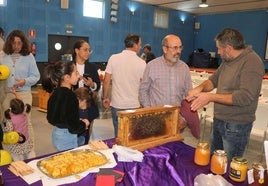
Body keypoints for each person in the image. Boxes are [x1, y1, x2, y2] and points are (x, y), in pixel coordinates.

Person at [186, 28, 265, 161]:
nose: (218, 52)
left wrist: (210, 97)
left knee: (229, 166)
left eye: (219, 49)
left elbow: (244, 97)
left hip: (236, 126)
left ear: (228, 48)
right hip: (219, 121)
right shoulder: (227, 61)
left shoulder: (252, 62)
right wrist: (199, 88)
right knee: (215, 161)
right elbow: (213, 80)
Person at [138, 34, 194, 136]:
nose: (179, 51)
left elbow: (189, 95)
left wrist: (184, 119)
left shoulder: (184, 68)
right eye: (175, 48)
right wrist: (150, 113)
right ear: (164, 49)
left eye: (180, 47)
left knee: (173, 150)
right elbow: (143, 91)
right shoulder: (152, 66)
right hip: (154, 120)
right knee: (155, 150)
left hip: (177, 122)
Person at [1, 29, 40, 158]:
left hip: (24, 95)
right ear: (9, 43)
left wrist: (24, 81)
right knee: (8, 124)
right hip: (8, 95)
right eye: (13, 43)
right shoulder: (2, 56)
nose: (16, 46)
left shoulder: (29, 57)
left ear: (23, 43)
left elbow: (36, 76)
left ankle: (29, 152)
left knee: (25, 123)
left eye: (19, 43)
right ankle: (12, 153)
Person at [102, 34, 146, 137]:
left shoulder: (113, 58)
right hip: (134, 105)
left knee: (118, 135)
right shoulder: (141, 63)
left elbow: (106, 80)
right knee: (132, 135)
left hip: (117, 104)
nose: (140, 47)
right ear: (134, 45)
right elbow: (144, 85)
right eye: (140, 44)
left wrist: (105, 97)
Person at [42, 60, 90, 151]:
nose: (79, 76)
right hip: (67, 137)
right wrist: (84, 124)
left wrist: (69, 120)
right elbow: (74, 128)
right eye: (76, 73)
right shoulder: (71, 97)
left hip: (56, 134)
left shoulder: (55, 93)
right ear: (67, 77)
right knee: (69, 162)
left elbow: (51, 118)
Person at [72, 40, 100, 141]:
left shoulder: (92, 67)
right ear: (76, 50)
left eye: (89, 50)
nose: (88, 52)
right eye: (85, 50)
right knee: (72, 132)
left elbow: (98, 85)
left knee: (85, 133)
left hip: (88, 105)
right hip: (73, 104)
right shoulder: (69, 66)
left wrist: (92, 84)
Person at [1, 96, 34, 161]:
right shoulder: (25, 114)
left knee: (16, 156)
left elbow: (9, 130)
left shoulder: (10, 119)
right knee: (27, 153)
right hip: (26, 139)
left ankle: (19, 164)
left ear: (11, 108)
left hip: (16, 142)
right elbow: (22, 105)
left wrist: (4, 129)